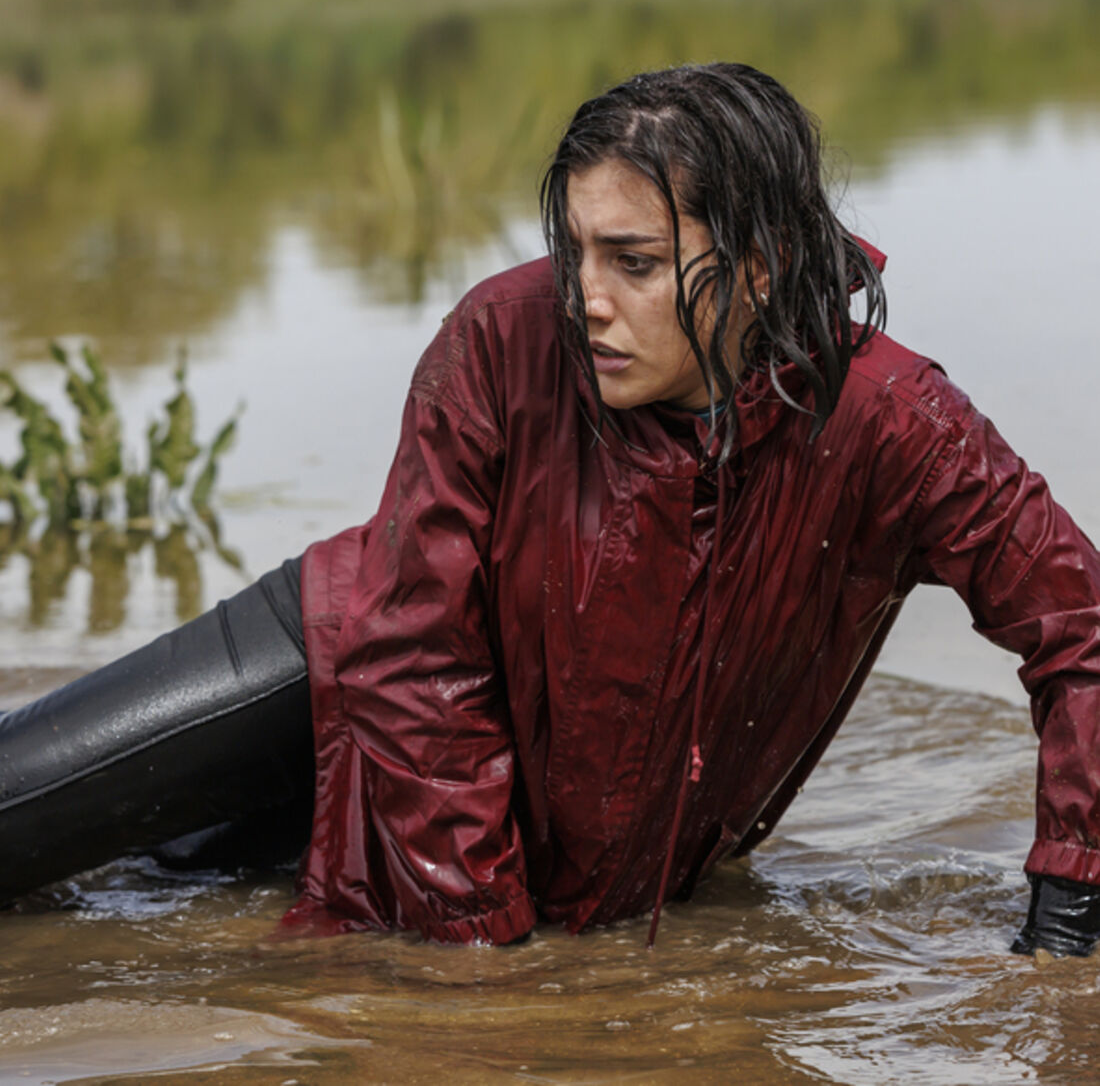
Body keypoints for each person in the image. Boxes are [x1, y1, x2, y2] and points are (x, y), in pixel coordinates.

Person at [1, 62, 1099, 955]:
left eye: (633, 261)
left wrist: (1065, 916)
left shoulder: (896, 421)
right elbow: (409, 646)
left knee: (165, 896)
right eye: (573, 250)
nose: (586, 298)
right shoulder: (499, 337)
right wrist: (488, 943)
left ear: (757, 269)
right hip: (331, 660)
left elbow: (1080, 634)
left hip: (523, 816)